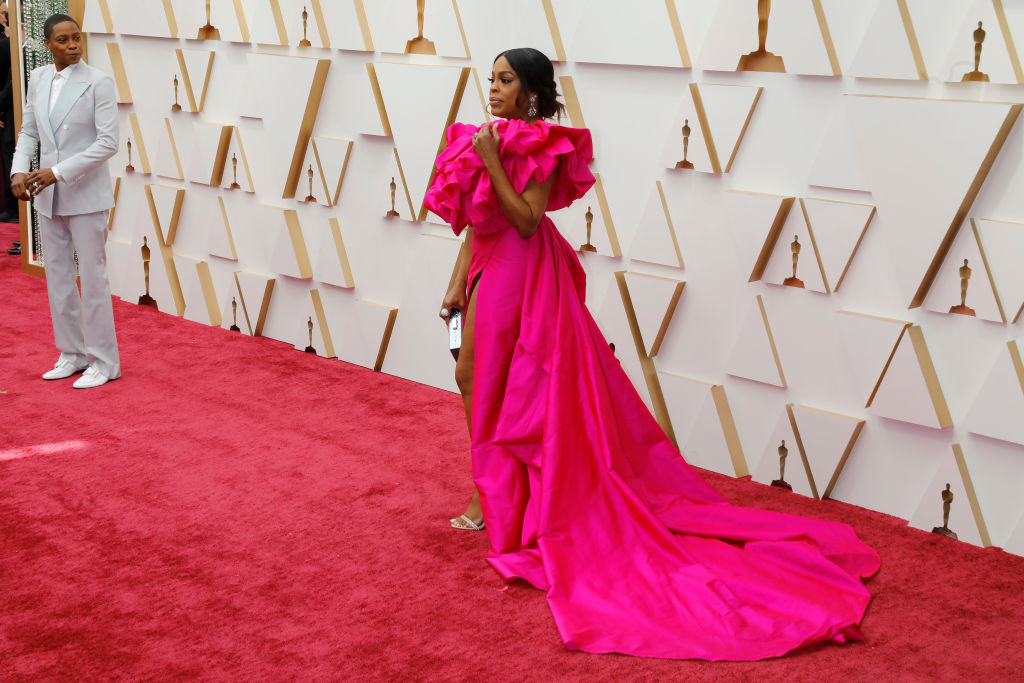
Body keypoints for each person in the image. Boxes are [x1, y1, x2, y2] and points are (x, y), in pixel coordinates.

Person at [424, 47, 879, 661]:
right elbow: (480, 217)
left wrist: (489, 161)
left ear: (531, 91)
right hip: (485, 262)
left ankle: (491, 499)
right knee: (471, 374)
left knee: (504, 383)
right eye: (493, 78)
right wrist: (458, 278)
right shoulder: (489, 136)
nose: (495, 88)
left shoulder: (541, 144)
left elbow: (526, 220)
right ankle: (489, 491)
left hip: (520, 267)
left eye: (506, 80)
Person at [10, 14, 120, 389]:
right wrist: (18, 171)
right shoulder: (38, 78)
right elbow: (28, 131)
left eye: (76, 38)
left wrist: (55, 172)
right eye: (63, 40)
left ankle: (104, 362)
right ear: (47, 45)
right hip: (46, 197)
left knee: (92, 280)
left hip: (85, 196)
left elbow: (107, 144)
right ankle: (72, 355)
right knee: (58, 280)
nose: (72, 45)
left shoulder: (99, 82)